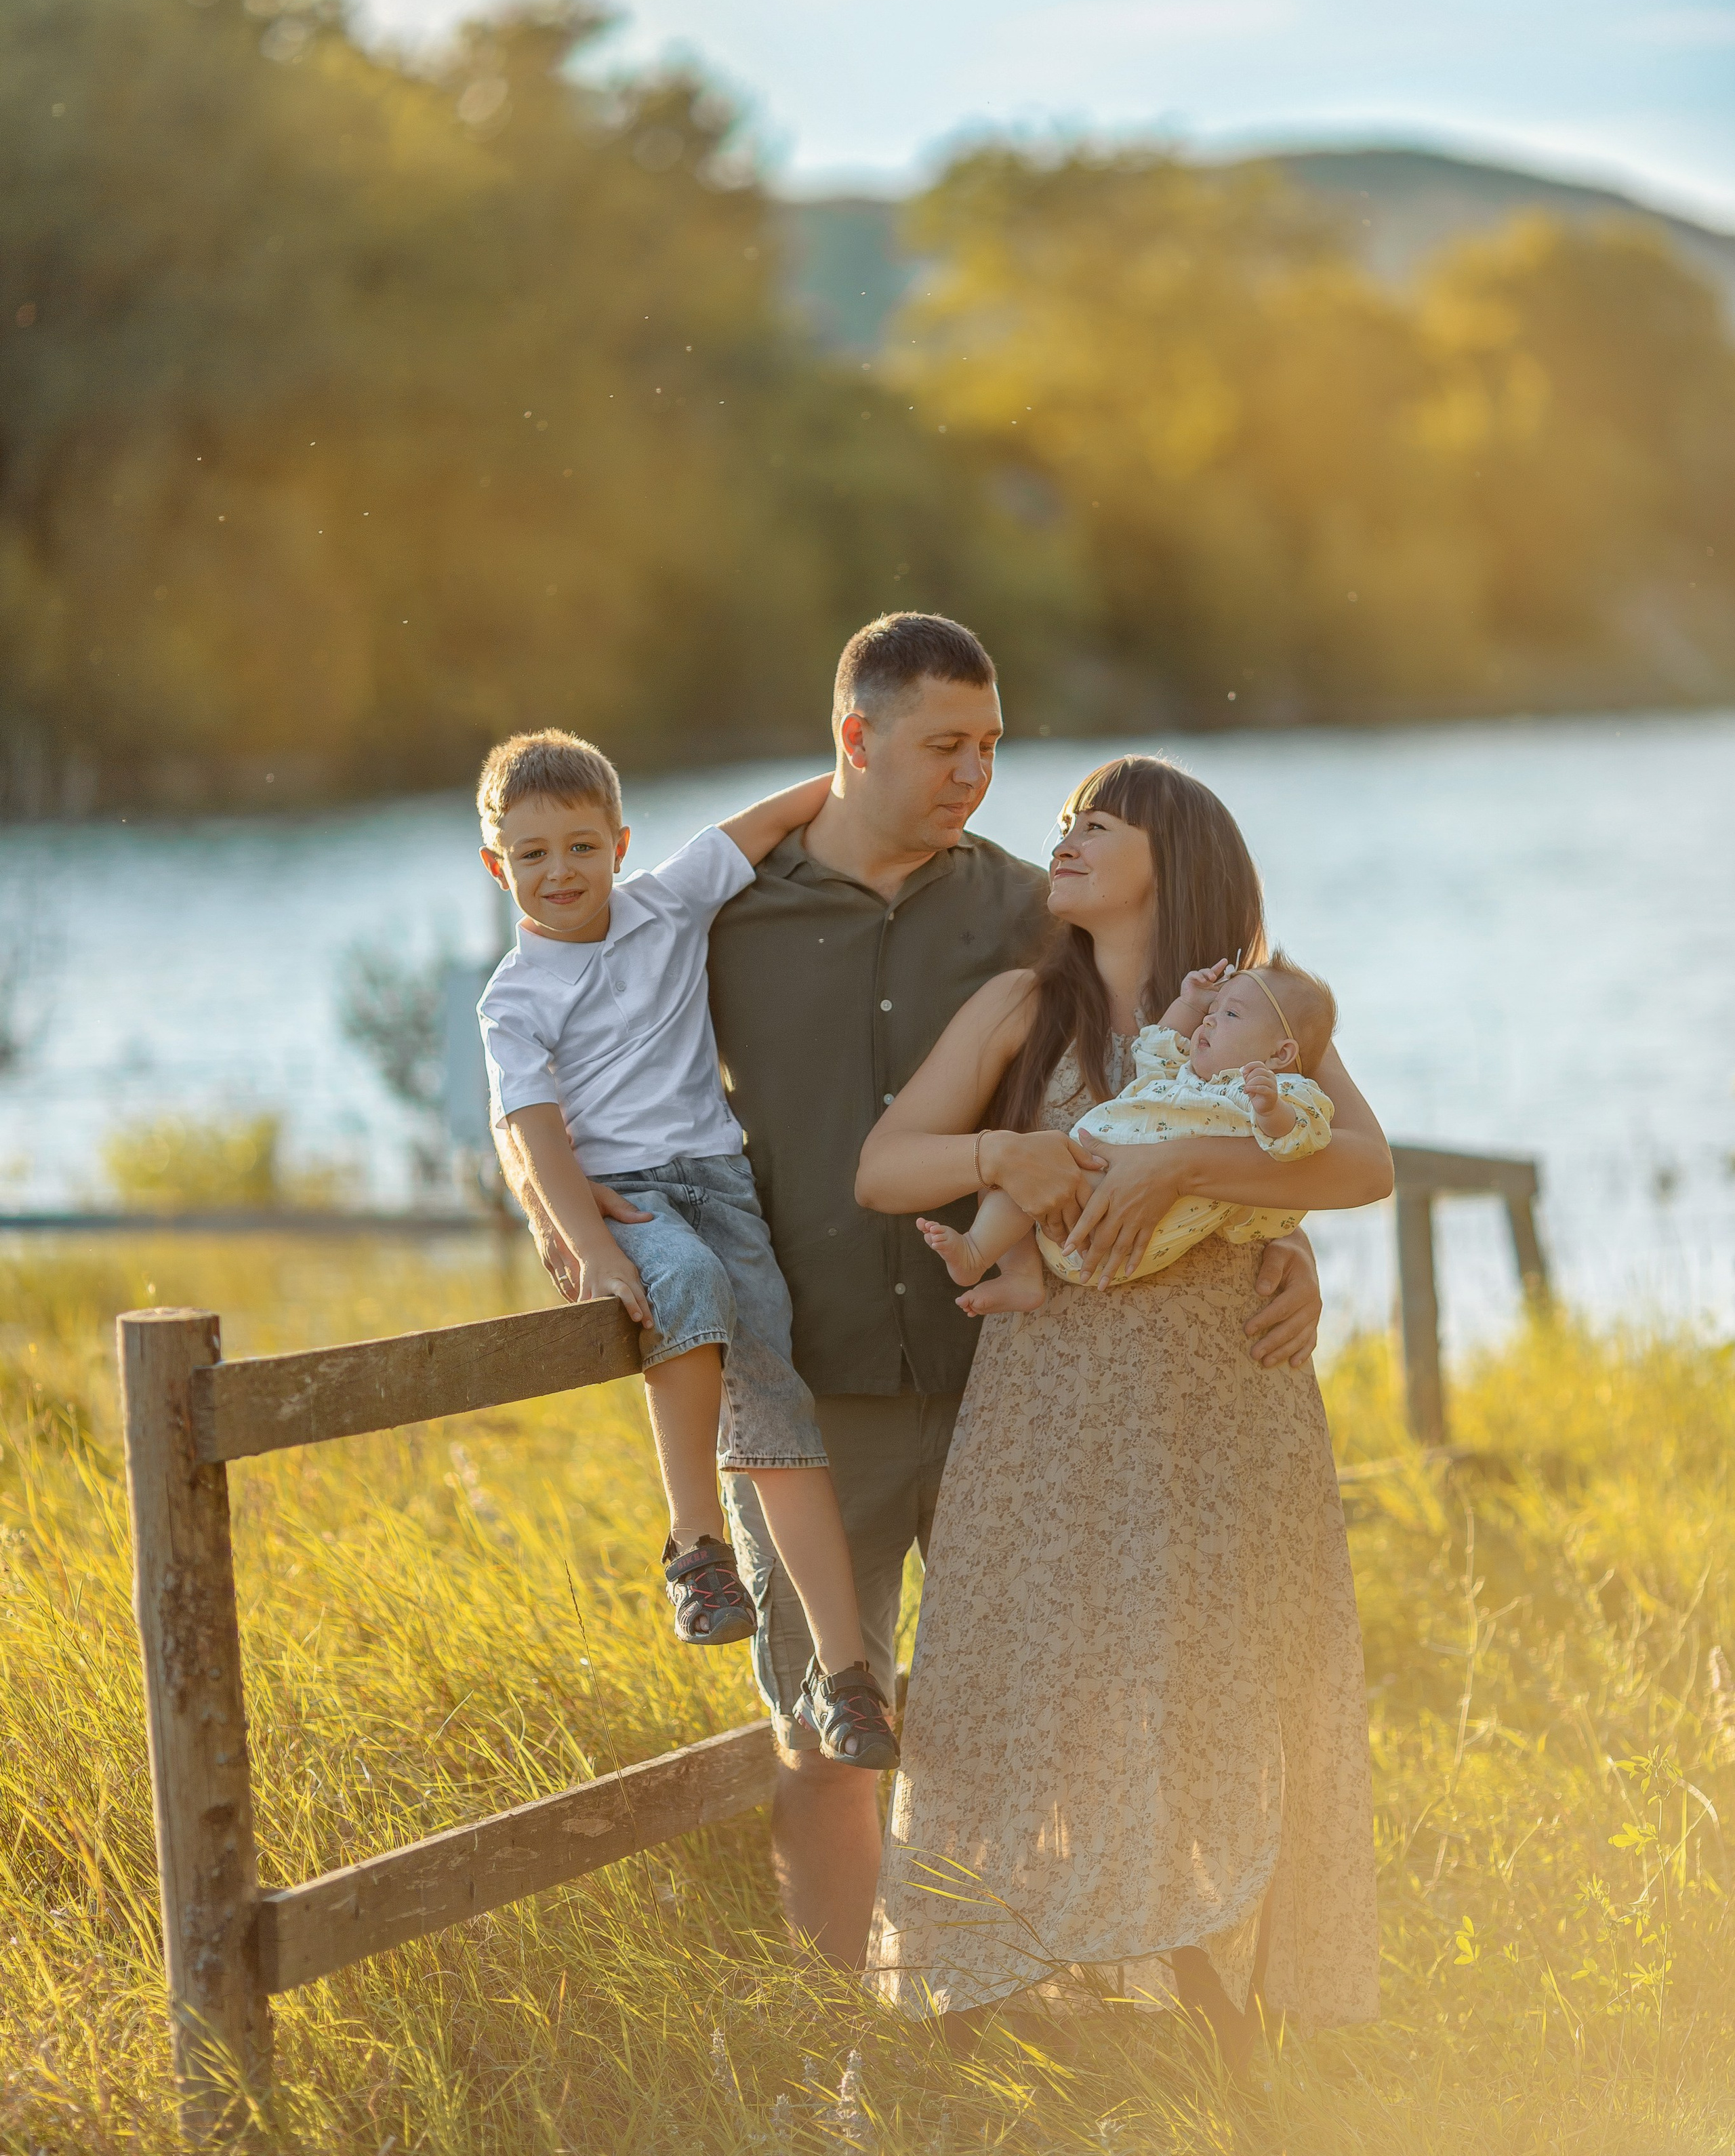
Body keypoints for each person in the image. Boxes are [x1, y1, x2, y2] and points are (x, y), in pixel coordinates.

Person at [498, 617, 1339, 1968]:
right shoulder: (723, 917)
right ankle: (846, 2018)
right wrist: (545, 1193)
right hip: (808, 1370)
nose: (974, 776)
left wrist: (1274, 1241)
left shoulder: (1029, 908)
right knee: (827, 1725)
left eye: (990, 748)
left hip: (1008, 1378)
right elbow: (548, 1043)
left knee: (1052, 1709)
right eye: (944, 746)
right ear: (855, 741)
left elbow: (1192, 1073)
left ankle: (1033, 2000)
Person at [857, 754, 1387, 2054]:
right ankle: (977, 1999)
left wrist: (1204, 1169)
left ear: (1178, 853)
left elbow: (1365, 1161)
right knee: (1022, 1683)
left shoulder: (1259, 1013)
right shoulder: (1020, 1008)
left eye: (1098, 822)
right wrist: (1006, 1157)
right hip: (1050, 1408)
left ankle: (1220, 2001)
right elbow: (884, 1168)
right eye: (1064, 824)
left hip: (1226, 1406)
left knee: (1222, 1687)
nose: (1066, 839)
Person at [474, 729, 898, 1767]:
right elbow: (530, 1129)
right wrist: (589, 1247)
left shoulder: (670, 899)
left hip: (723, 1186)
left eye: (580, 846)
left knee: (782, 1418)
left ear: (620, 843)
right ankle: (695, 1545)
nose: (559, 872)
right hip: (619, 1207)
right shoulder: (512, 1000)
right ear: (497, 866)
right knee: (689, 1285)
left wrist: (874, 772)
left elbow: (772, 819)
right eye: (531, 855)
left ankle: (847, 1680)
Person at [921, 950, 1336, 1314]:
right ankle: (1022, 1274)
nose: (1209, 1021)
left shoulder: (1270, 1090)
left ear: (1280, 1053)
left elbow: (1301, 1138)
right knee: (1008, 1178)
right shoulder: (1186, 1078)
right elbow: (1157, 1048)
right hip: (1088, 1189)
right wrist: (1188, 1003)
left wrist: (1271, 1111)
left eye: (1229, 1014)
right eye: (1211, 1012)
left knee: (1023, 1180)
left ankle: (976, 1252)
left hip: (1122, 1219)